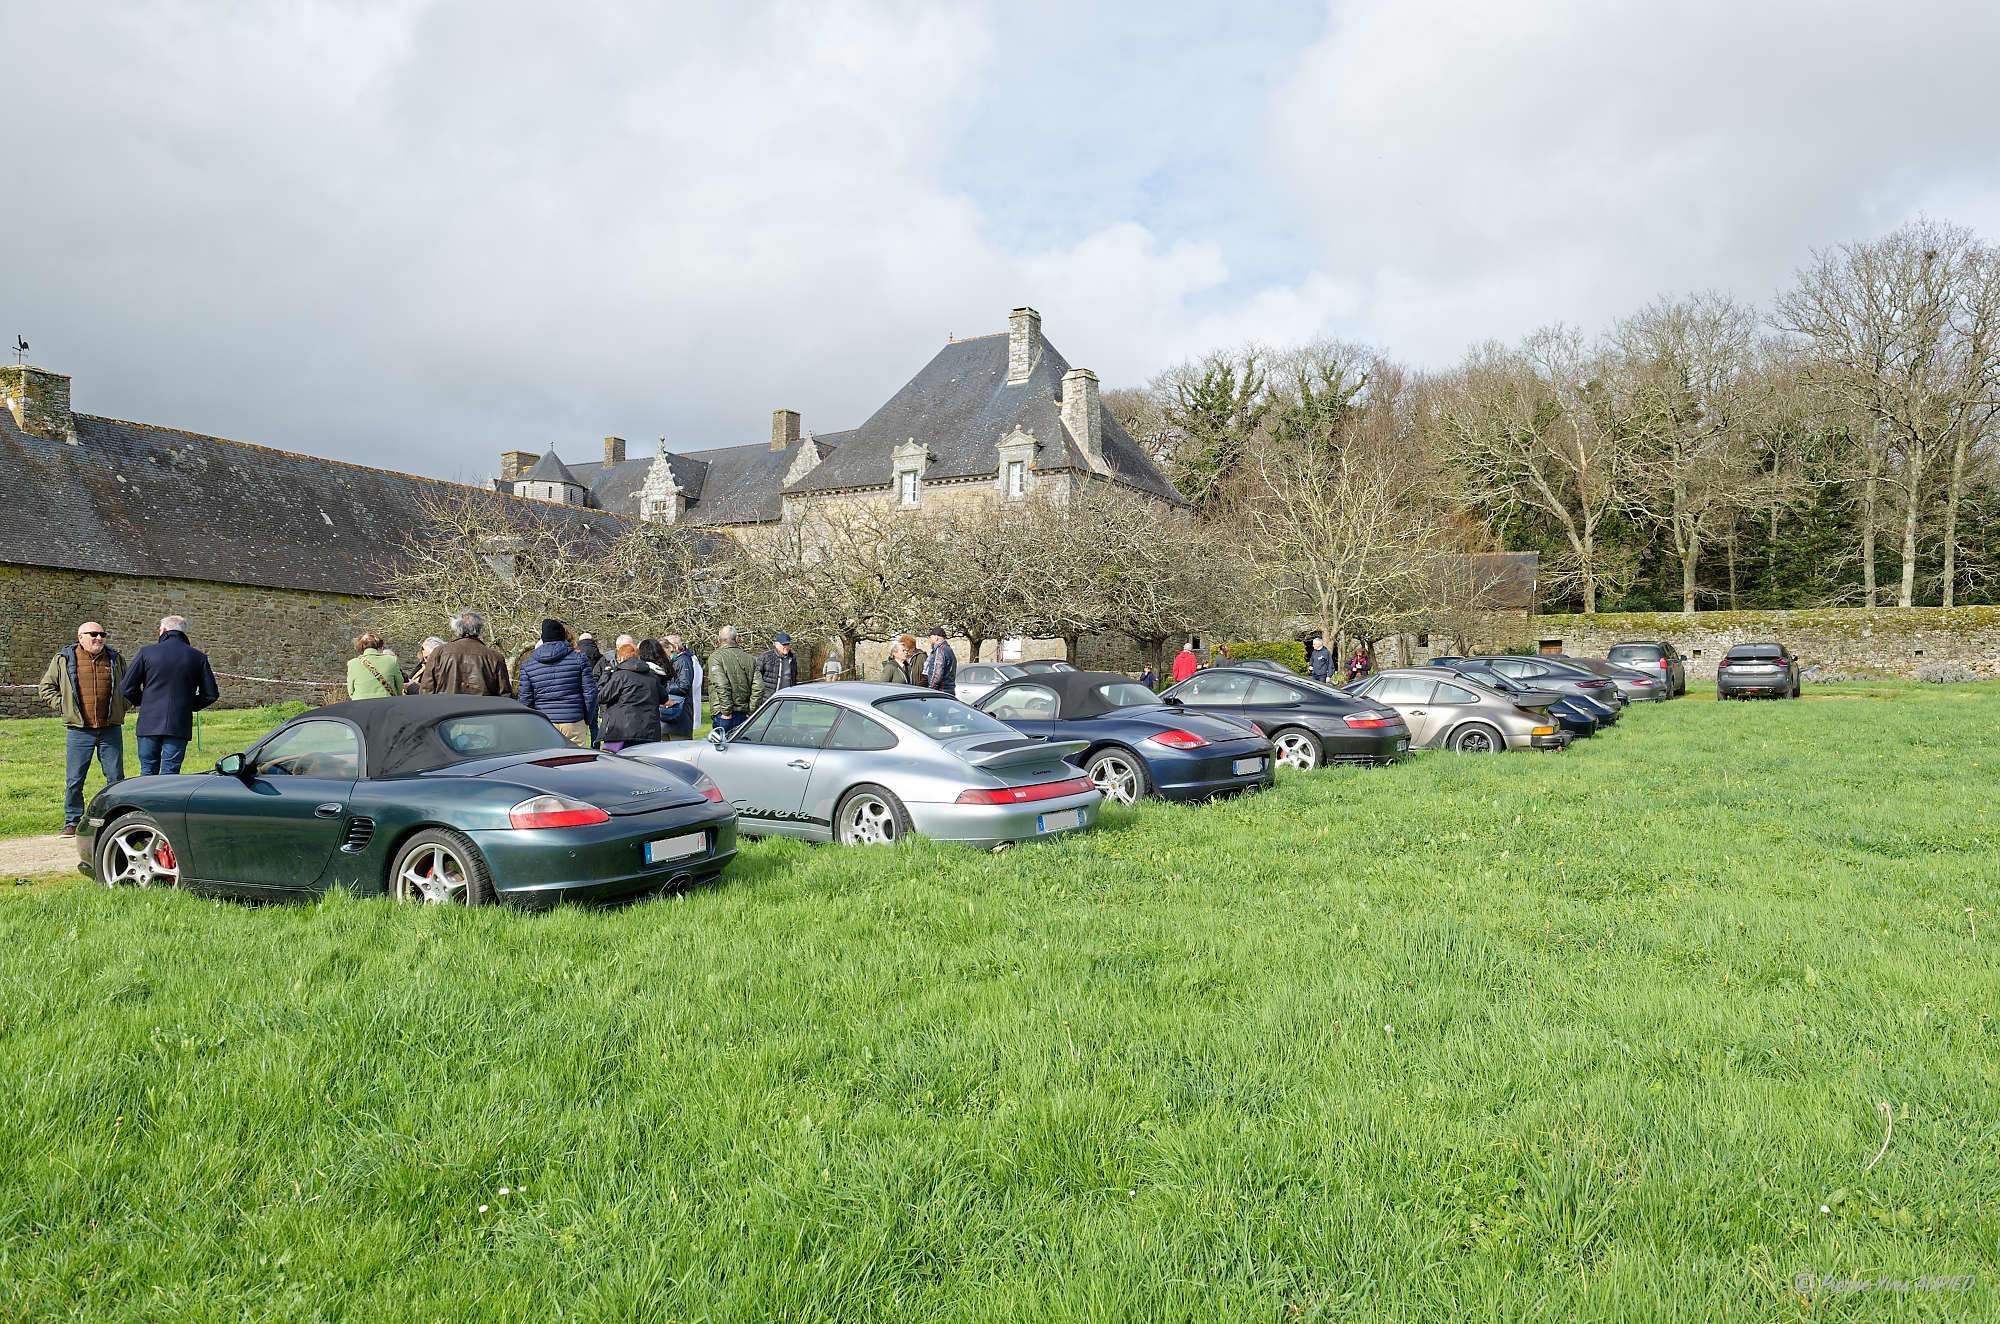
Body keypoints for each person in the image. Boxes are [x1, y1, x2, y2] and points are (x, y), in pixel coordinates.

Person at [41, 621, 128, 838]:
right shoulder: (64, 658)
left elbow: (129, 687)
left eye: (102, 634)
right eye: (94, 634)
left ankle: (117, 819)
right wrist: (65, 706)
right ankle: (72, 822)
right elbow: (46, 688)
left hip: (110, 729)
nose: (99, 638)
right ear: (80, 637)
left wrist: (123, 705)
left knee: (116, 777)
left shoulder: (115, 658)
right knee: (75, 779)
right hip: (79, 730)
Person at [120, 614, 220, 776]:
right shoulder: (198, 657)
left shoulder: (147, 652)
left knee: (147, 771)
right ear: (183, 632)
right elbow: (210, 694)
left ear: (164, 630)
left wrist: (143, 702)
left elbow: (126, 687)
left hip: (149, 721)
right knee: (171, 774)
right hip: (179, 721)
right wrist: (189, 705)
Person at [516, 618, 598, 747]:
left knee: (548, 758)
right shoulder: (579, 659)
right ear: (562, 636)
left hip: (544, 723)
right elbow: (590, 693)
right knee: (576, 758)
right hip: (573, 720)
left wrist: (531, 724)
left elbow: (525, 699)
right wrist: (586, 718)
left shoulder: (528, 665)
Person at [596, 635, 663, 752]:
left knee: (615, 760)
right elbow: (663, 698)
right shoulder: (652, 676)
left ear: (620, 658)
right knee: (645, 761)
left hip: (620, 731)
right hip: (648, 730)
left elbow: (601, 696)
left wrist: (605, 675)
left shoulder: (619, 676)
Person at [421, 611, 512, 695]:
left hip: (446, 706)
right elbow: (504, 695)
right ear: (479, 629)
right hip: (481, 707)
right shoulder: (495, 657)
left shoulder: (439, 653)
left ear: (457, 629)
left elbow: (426, 690)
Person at [706, 625, 756, 736]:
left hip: (724, 714)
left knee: (721, 744)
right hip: (743, 713)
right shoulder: (750, 658)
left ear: (719, 640)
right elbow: (758, 688)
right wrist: (751, 711)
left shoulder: (715, 657)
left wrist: (726, 712)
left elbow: (721, 685)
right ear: (736, 639)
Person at [345, 631, 404, 700]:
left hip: (360, 703)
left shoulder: (352, 663)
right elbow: (399, 684)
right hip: (387, 703)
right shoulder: (391, 660)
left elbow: (351, 691)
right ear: (380, 645)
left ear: (360, 647)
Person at [661, 634, 697, 738]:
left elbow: (684, 685)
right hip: (672, 711)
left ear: (674, 647)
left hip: (680, 712)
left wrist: (664, 687)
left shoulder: (683, 661)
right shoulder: (674, 661)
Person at [753, 632, 799, 708]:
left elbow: (794, 679)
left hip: (786, 701)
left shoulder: (792, 659)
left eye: (788, 644)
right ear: (776, 645)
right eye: (784, 645)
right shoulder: (765, 658)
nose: (786, 647)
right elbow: (756, 679)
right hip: (768, 701)